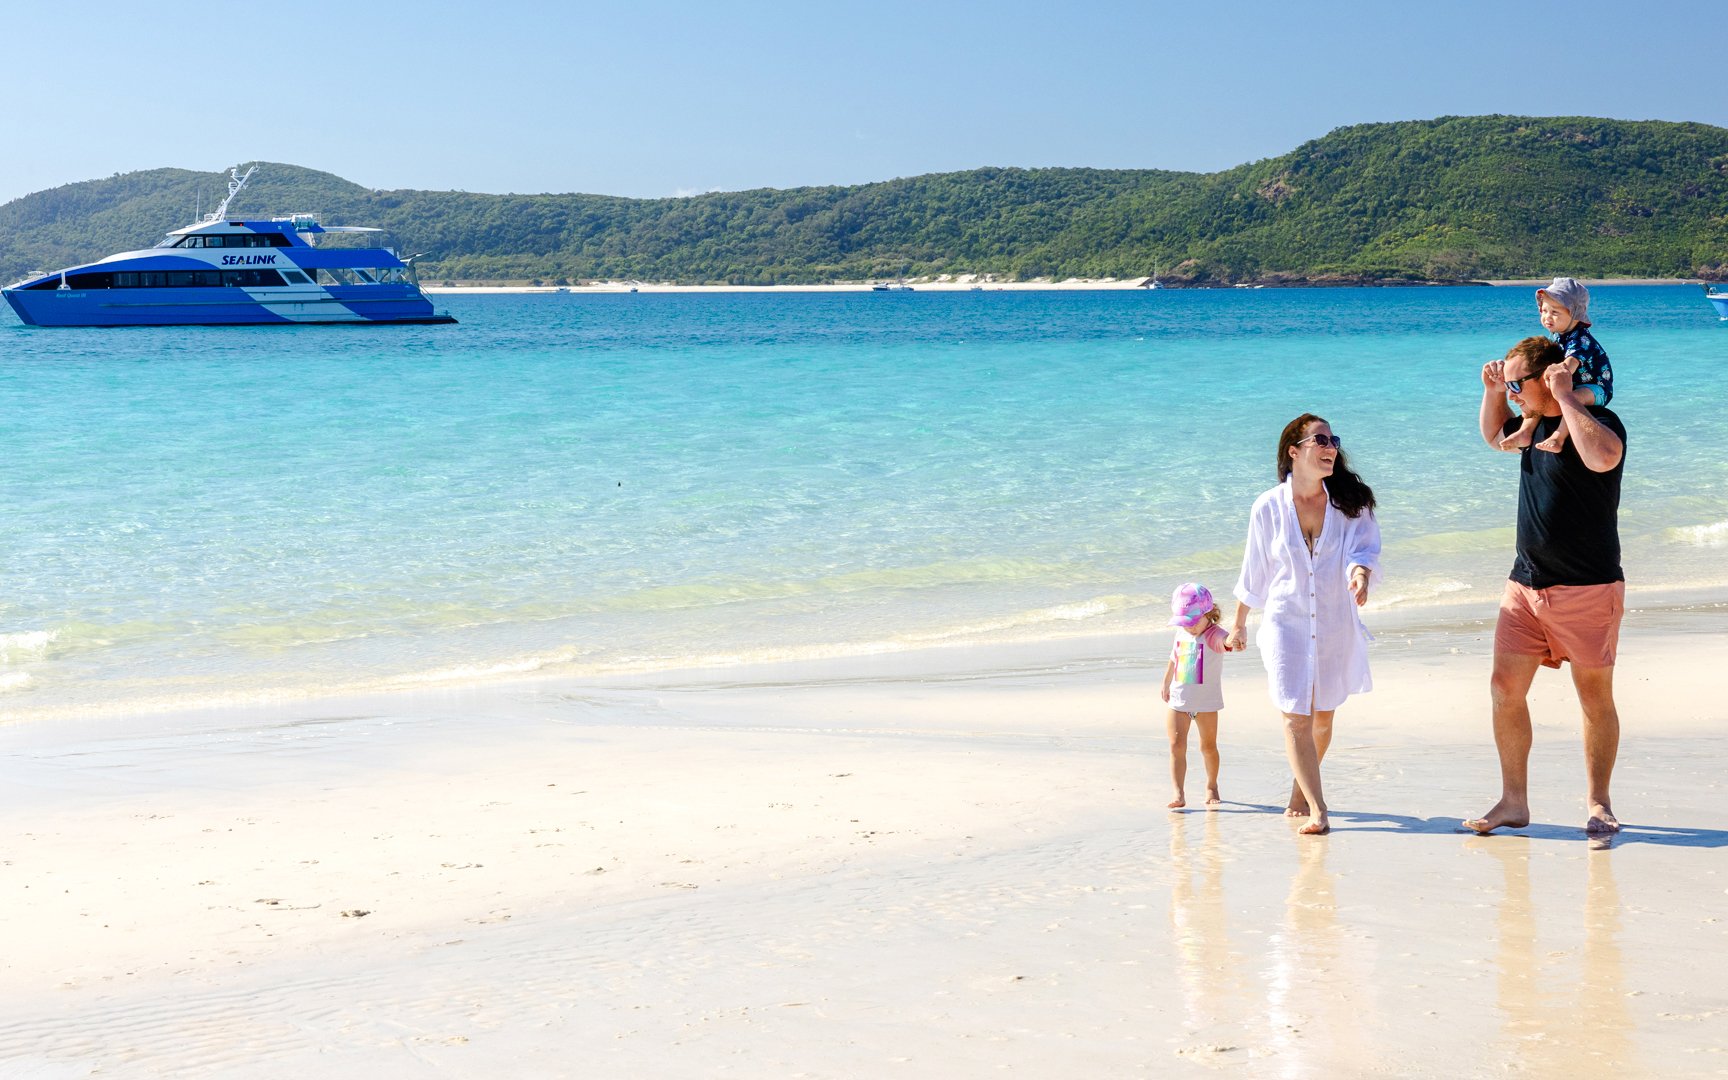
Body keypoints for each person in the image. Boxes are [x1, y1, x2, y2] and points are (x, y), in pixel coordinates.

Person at [1469, 336, 1627, 836]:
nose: (1515, 393)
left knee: (1593, 697)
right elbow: (1493, 435)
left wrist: (1563, 399)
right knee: (1503, 690)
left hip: (1588, 587)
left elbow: (1603, 458)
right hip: (1525, 586)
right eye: (1510, 382)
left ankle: (1599, 803)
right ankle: (1514, 802)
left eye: (1519, 383)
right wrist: (1494, 391)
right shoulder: (1527, 425)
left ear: (1549, 377)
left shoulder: (1598, 421)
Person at [1227, 415, 1380, 836]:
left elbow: (1365, 547)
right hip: (1284, 623)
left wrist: (1361, 573)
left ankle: (1299, 790)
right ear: (1294, 451)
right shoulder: (1267, 507)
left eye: (1333, 440)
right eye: (1320, 440)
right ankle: (1319, 807)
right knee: (1295, 715)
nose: (1330, 447)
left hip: (1334, 620)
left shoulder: (1351, 501)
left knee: (1323, 718)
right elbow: (1253, 571)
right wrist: (1239, 625)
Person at [1498, 277, 1613, 455]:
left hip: (1595, 388)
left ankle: (1558, 437)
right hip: (1574, 383)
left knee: (1573, 397)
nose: (1547, 317)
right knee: (1539, 400)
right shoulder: (1558, 336)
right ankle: (1525, 431)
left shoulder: (1581, 339)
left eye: (1555, 312)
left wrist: (1550, 376)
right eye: (1544, 311)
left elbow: (1567, 368)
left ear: (1574, 314)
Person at [1160, 582, 1233, 810]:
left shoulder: (1214, 634)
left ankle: (1212, 785)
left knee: (1208, 747)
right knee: (1175, 746)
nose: (1190, 628)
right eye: (1185, 623)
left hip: (1206, 703)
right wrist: (1165, 683)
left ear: (1209, 614)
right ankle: (1178, 792)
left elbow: (1226, 642)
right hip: (1179, 699)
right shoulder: (1182, 633)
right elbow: (1174, 658)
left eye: (1193, 622)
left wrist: (1234, 640)